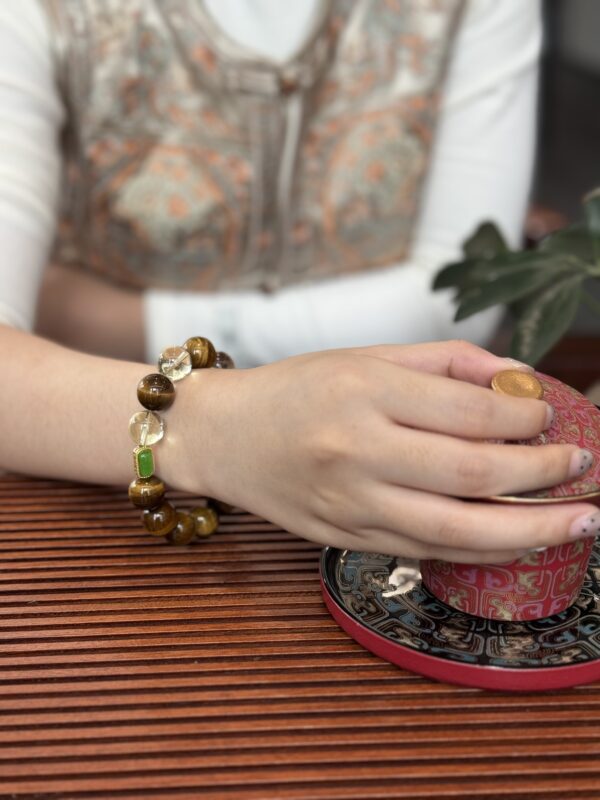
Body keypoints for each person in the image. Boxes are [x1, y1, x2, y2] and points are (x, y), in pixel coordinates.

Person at [0, 0, 597, 563]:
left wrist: (96, 317)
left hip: (402, 476)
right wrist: (213, 429)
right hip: (80, 494)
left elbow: (451, 302)